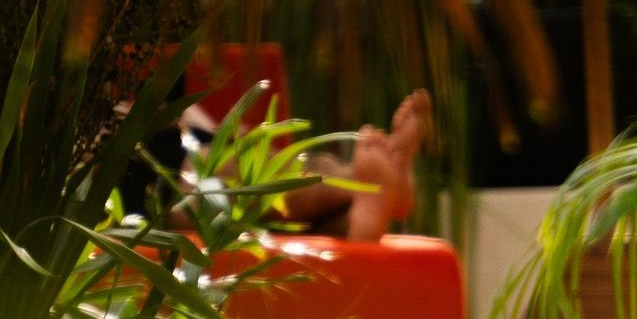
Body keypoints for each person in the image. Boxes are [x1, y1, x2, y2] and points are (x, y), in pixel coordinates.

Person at [120, 87, 432, 242]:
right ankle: (367, 186)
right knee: (224, 172)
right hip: (151, 178)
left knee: (293, 170)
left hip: (174, 150)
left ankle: (358, 213)